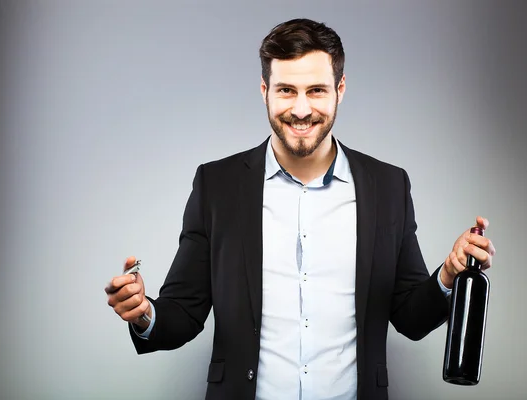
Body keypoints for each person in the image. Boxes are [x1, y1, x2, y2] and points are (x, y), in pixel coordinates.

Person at [105, 18, 495, 400]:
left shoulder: (388, 186)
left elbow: (410, 317)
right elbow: (183, 313)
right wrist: (144, 312)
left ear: (340, 89)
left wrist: (447, 274)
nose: (302, 109)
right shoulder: (217, 185)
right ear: (264, 91)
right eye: (287, 90)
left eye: (317, 91)